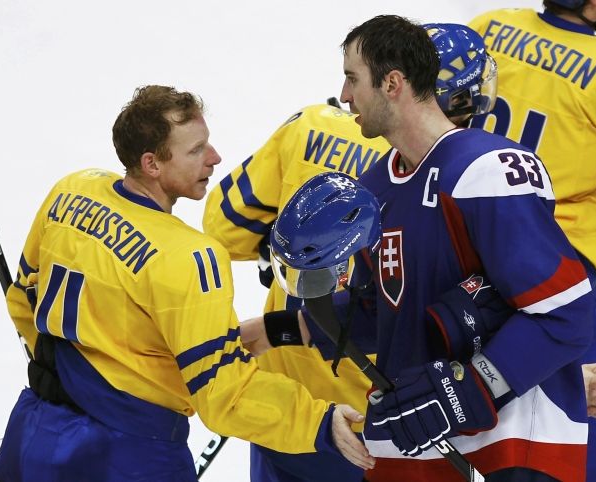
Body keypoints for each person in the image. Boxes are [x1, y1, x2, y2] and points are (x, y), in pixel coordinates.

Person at [262, 14, 593, 482]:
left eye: (353, 78)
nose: (345, 94)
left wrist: (467, 389)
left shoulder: (488, 169)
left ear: (393, 82)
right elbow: (392, 314)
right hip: (411, 447)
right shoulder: (377, 185)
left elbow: (564, 315)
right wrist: (279, 328)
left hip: (506, 448)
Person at [0, 85, 375, 482]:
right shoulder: (192, 258)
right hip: (132, 457)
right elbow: (226, 397)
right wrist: (318, 422)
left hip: (35, 431)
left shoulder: (72, 190)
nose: (215, 158)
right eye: (196, 151)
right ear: (152, 164)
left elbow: (23, 296)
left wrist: (71, 380)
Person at [203, 23, 497, 482]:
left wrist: (284, 254)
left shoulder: (311, 126)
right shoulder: (474, 180)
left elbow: (222, 226)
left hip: (281, 400)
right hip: (379, 424)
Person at [467, 3, 596, 480]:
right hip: (562, 263)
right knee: (580, 417)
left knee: (478, 405)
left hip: (468, 244)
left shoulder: (490, 26)